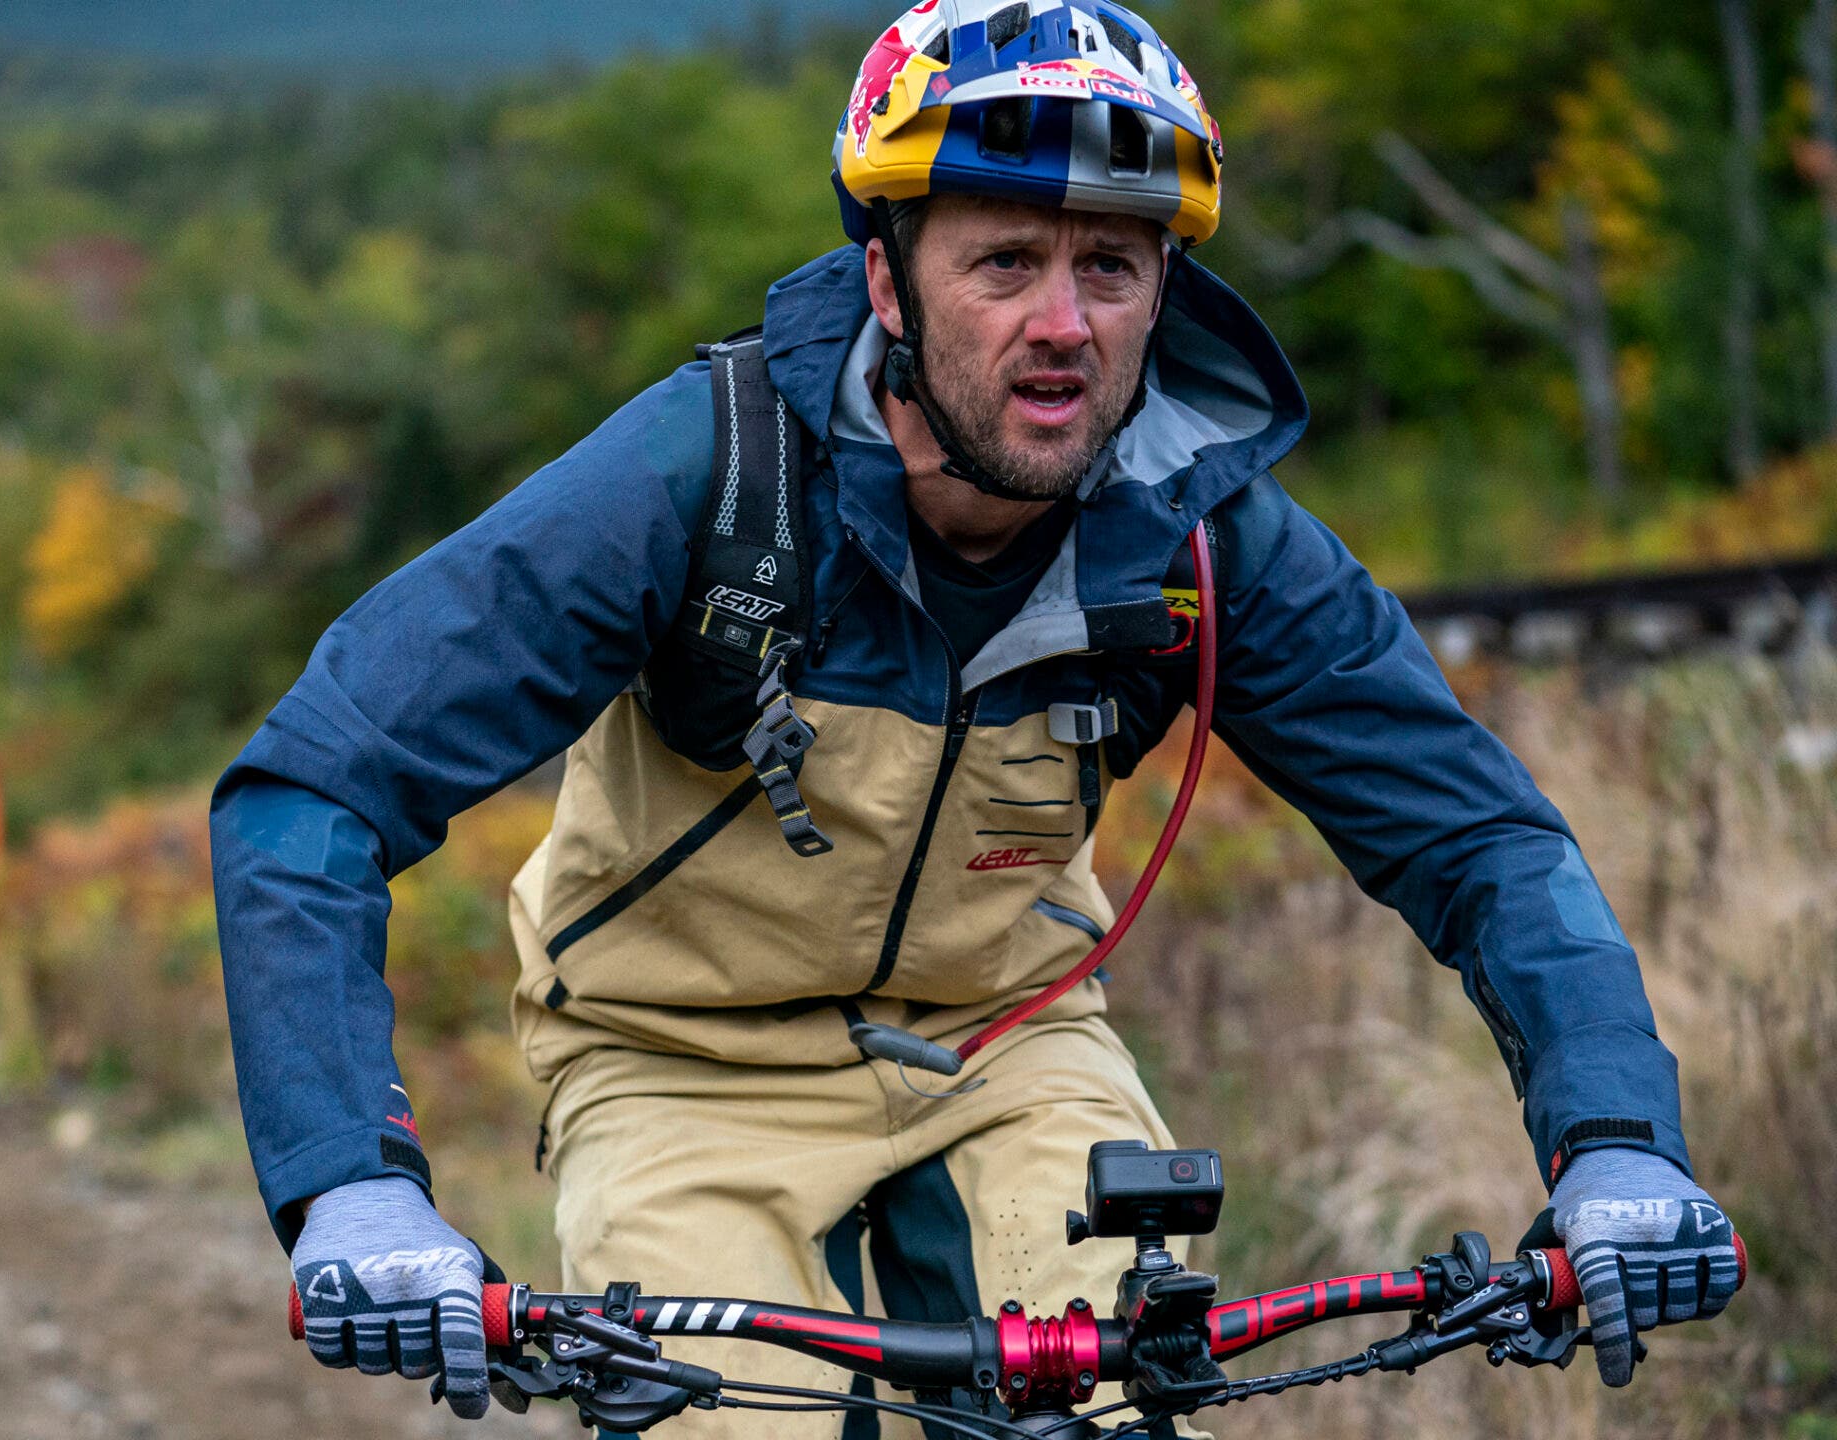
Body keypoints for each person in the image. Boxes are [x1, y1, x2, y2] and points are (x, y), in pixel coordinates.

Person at [211, 3, 1742, 1432]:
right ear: (891, 278)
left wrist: (1615, 1144)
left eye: (1113, 268)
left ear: (1168, 294)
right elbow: (315, 791)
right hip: (675, 1054)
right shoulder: (708, 476)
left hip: (1009, 1041)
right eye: (1003, 261)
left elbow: (1475, 835)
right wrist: (354, 1186)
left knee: (1098, 1405)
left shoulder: (1209, 541)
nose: (1063, 324)